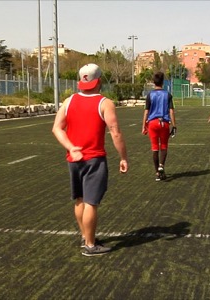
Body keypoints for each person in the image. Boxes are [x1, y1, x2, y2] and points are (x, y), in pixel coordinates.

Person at [52, 63, 128, 257]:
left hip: (74, 159)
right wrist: (123, 157)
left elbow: (57, 128)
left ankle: (85, 236)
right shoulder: (105, 103)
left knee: (79, 200)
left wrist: (71, 147)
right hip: (94, 158)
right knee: (91, 202)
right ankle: (91, 245)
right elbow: (115, 133)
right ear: (99, 81)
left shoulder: (68, 101)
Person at [142, 72, 177, 181]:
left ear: (153, 82)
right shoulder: (167, 95)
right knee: (164, 146)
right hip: (164, 123)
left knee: (155, 148)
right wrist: (174, 125)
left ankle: (157, 172)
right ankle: (161, 165)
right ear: (163, 82)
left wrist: (144, 125)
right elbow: (171, 111)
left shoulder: (150, 95)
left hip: (152, 123)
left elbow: (146, 112)